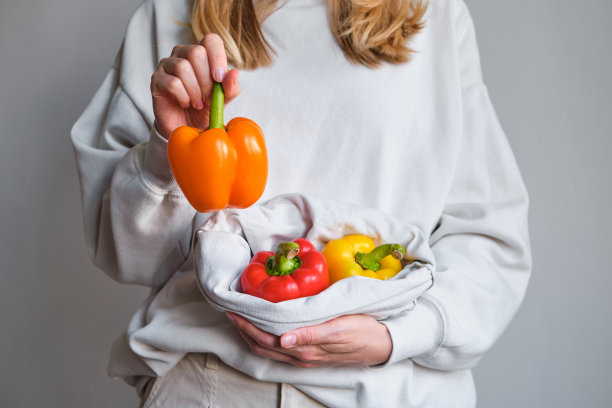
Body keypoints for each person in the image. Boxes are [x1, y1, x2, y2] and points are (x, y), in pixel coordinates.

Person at [71, 0, 531, 406]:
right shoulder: (167, 14)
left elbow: (488, 236)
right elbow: (126, 255)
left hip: (388, 390)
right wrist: (168, 147)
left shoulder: (433, 14)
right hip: (212, 387)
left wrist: (395, 337)